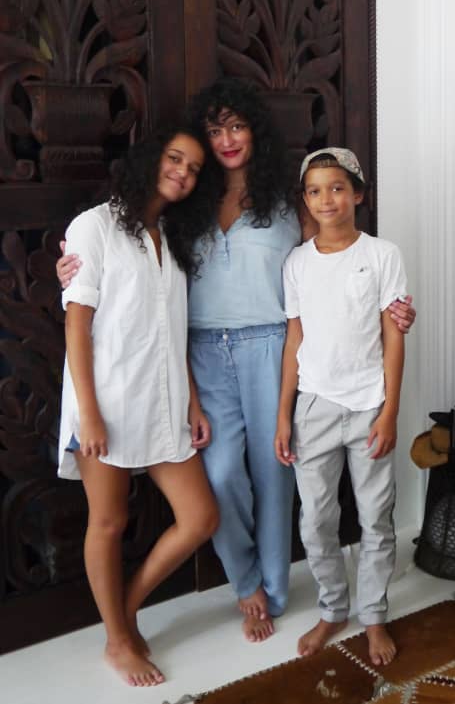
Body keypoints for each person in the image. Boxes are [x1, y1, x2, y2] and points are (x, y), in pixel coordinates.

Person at [57, 77, 416, 644]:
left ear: (255, 131)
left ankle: (273, 590)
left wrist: (387, 310)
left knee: (275, 474)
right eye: (214, 129)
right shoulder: (182, 208)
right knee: (221, 475)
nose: (226, 139)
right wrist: (69, 268)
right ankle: (244, 581)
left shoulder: (284, 203)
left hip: (271, 346)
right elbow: (129, 262)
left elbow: (329, 263)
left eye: (237, 126)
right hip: (200, 355)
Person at [58, 126, 220, 687]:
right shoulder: (94, 226)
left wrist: (193, 403)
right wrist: (90, 414)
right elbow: (77, 327)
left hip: (165, 401)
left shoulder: (169, 236)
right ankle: (117, 641)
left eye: (195, 167)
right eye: (176, 158)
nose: (184, 172)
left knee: (200, 516)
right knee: (109, 521)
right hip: (104, 401)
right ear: (152, 158)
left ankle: (123, 610)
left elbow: (172, 332)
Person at [274, 147, 406, 667]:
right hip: (314, 409)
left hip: (370, 406)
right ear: (304, 200)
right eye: (313, 190)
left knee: (376, 518)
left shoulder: (382, 255)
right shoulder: (297, 263)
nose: (325, 199)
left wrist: (390, 410)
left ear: (357, 194)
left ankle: (373, 615)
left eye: (335, 187)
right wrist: (284, 414)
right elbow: (293, 342)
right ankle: (333, 608)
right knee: (315, 521)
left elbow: (394, 337)